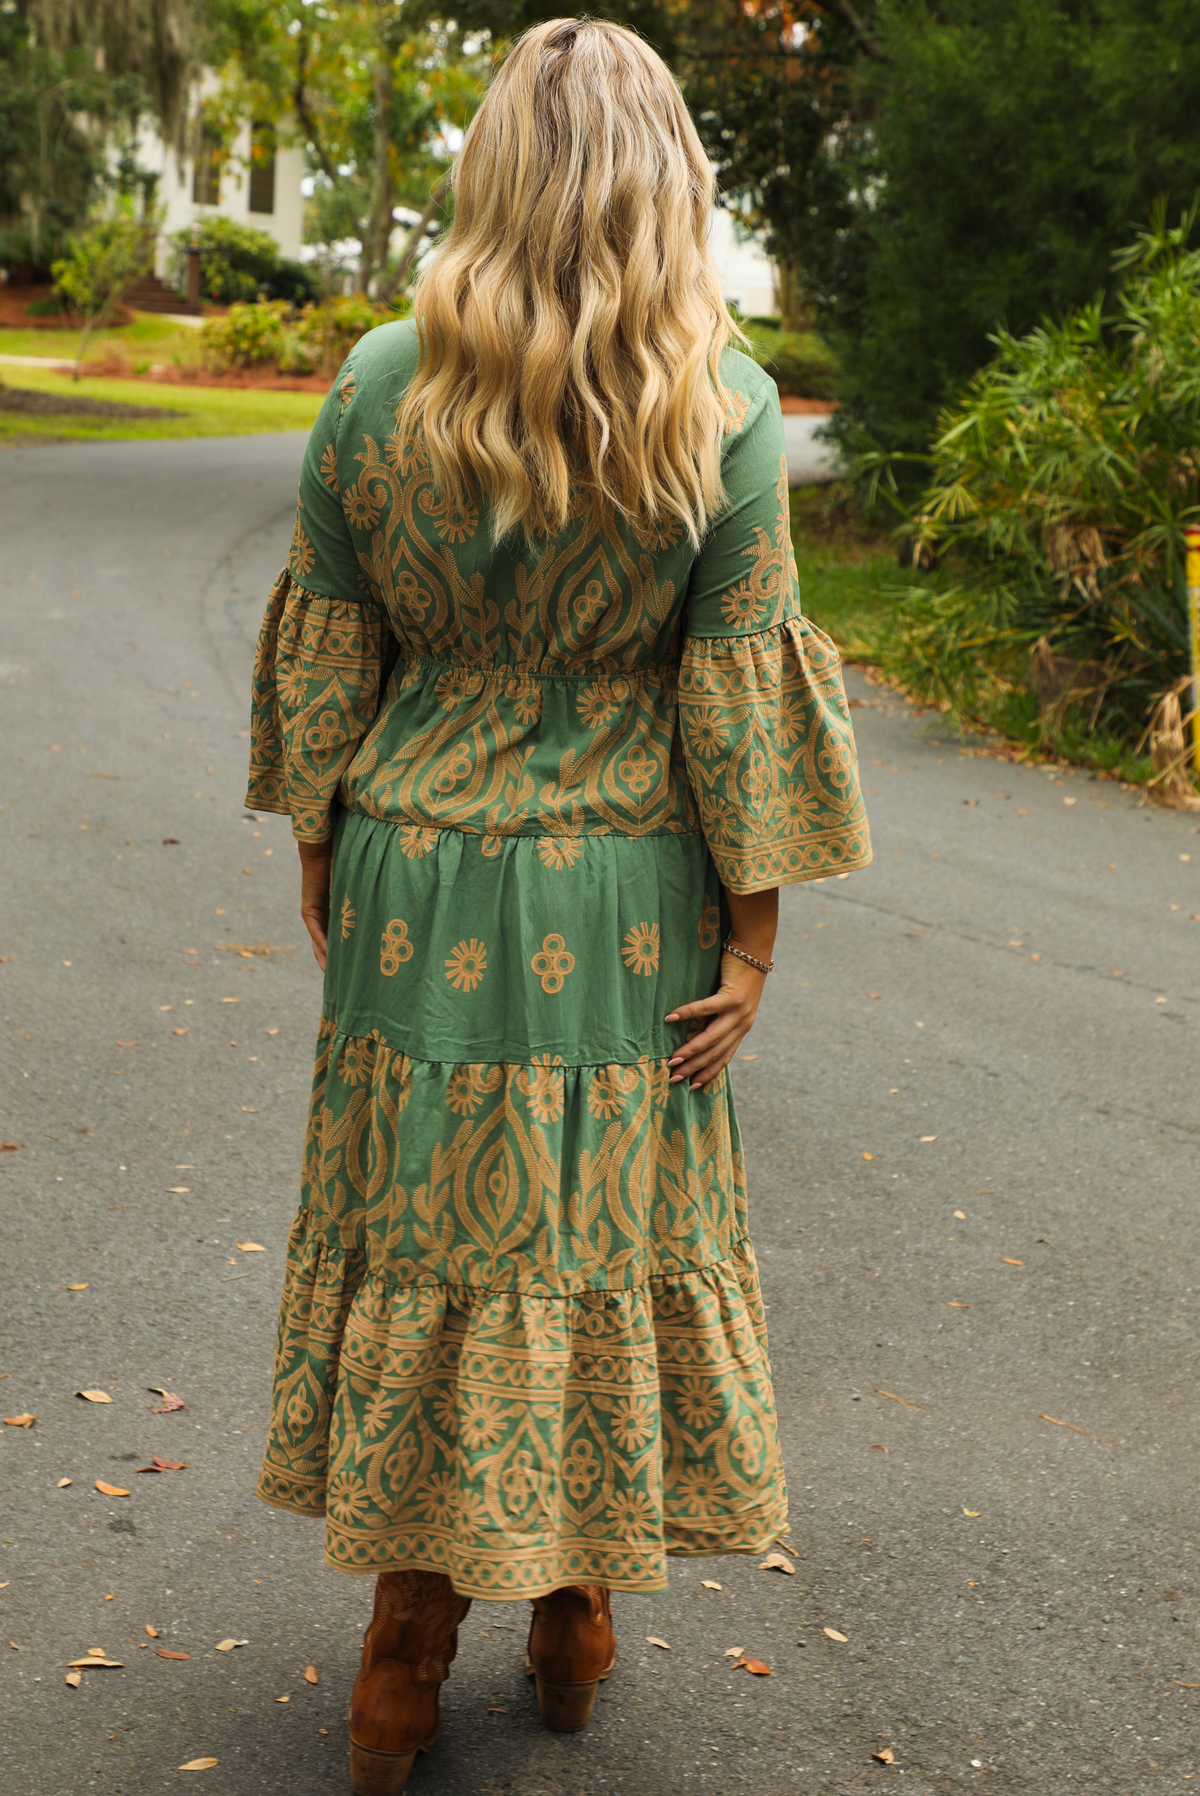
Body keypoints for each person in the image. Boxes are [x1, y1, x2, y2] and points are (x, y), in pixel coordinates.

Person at [246, 17, 871, 1793]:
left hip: (410, 866)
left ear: (491, 173)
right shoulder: (723, 404)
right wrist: (753, 940)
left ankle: (399, 1656)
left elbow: (334, 639)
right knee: (583, 1236)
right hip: (622, 891)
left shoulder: (378, 381)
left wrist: (322, 841)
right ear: (668, 178)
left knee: (432, 1235)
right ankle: (574, 1611)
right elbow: (734, 689)